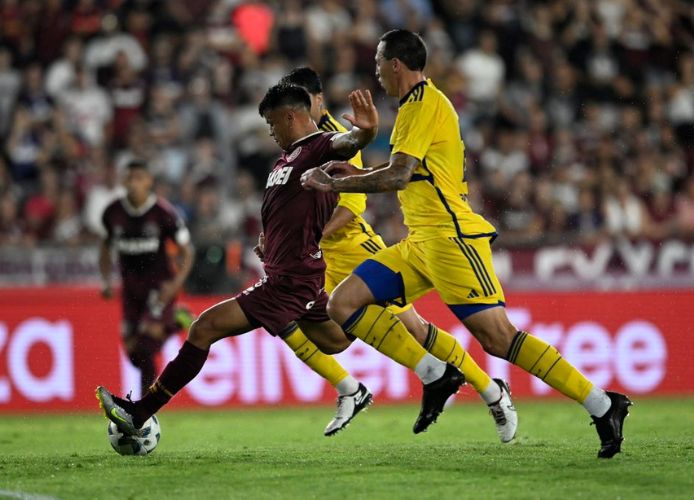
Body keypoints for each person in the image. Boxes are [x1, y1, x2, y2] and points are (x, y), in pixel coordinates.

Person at [301, 29, 632, 459]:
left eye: (380, 62)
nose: (376, 70)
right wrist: (354, 173)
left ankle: (603, 404)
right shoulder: (414, 107)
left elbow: (400, 175)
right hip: (420, 241)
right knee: (342, 303)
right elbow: (409, 170)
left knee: (497, 338)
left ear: (395, 64)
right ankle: (435, 374)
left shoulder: (423, 103)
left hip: (451, 238)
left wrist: (336, 181)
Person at [97, 83, 464, 437]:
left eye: (272, 124)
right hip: (297, 275)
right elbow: (288, 215)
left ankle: (138, 413)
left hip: (289, 282)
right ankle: (432, 370)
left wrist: (366, 133)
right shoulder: (282, 162)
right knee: (335, 339)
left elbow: (348, 141)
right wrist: (268, 242)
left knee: (203, 328)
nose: (270, 132)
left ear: (290, 117)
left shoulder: (318, 145)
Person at [279, 66, 517, 442]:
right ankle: (348, 389)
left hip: (355, 248)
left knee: (416, 329)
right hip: (317, 259)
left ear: (317, 100)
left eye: (301, 104)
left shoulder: (338, 140)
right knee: (280, 311)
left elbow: (350, 209)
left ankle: (491, 392)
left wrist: (305, 238)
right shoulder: (294, 146)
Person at [100, 159, 194, 396]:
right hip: (130, 290)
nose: (133, 184)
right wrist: (106, 281)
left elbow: (187, 251)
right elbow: (104, 247)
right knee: (133, 353)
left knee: (145, 348)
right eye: (129, 178)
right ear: (123, 181)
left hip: (159, 287)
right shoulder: (112, 213)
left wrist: (175, 284)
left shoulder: (163, 213)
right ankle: (175, 322)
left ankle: (144, 408)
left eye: (139, 178)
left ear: (149, 182)